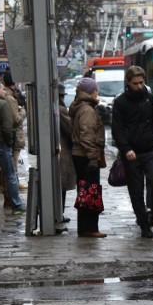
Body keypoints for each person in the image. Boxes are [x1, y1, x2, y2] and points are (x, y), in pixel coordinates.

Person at [111, 65, 153, 238]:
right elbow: (116, 129)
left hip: (150, 150)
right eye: (135, 83)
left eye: (141, 82)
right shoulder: (120, 102)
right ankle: (143, 224)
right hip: (132, 154)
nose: (139, 86)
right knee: (136, 191)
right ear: (128, 83)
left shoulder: (148, 98)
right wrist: (126, 149)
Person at [69, 77, 106, 238]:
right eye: (96, 90)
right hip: (86, 157)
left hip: (80, 155)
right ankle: (89, 228)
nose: (97, 93)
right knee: (91, 192)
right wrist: (92, 157)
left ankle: (85, 228)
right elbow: (87, 135)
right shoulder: (88, 110)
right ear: (91, 92)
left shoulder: (81, 107)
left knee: (84, 191)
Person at [0, 80, 25, 215]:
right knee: (10, 175)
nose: (4, 91)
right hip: (2, 143)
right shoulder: (3, 104)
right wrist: (9, 142)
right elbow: (7, 128)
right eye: (2, 89)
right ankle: (17, 205)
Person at [2, 70, 27, 190]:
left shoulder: (9, 95)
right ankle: (11, 192)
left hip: (12, 135)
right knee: (13, 165)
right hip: (14, 135)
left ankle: (10, 189)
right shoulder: (10, 98)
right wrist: (22, 110)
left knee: (11, 165)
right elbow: (16, 119)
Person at [58, 83, 76, 224]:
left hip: (58, 151)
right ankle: (60, 213)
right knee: (61, 186)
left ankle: (59, 213)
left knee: (59, 186)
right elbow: (70, 131)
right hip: (62, 152)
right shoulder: (61, 110)